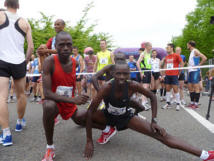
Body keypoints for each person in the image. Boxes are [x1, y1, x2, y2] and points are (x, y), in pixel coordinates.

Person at [84, 63, 214, 161]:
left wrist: (154, 121)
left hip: (125, 117)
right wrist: (89, 140)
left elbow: (152, 97)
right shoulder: (106, 88)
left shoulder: (133, 85)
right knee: (81, 117)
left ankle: (205, 155)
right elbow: (90, 112)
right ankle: (109, 129)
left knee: (161, 135)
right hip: (107, 114)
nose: (122, 77)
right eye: (119, 74)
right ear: (113, 75)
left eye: (125, 74)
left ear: (130, 74)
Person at [41, 31, 90, 160]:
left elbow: (83, 67)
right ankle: (50, 147)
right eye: (61, 45)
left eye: (69, 44)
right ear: (55, 46)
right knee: (48, 106)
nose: (66, 48)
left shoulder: (75, 62)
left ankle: (107, 127)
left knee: (85, 118)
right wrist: (73, 99)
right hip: (56, 101)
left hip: (69, 103)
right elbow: (47, 93)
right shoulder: (49, 62)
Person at [91, 52, 146, 144]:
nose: (119, 62)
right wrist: (100, 92)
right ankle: (107, 130)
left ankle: (132, 115)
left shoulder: (126, 68)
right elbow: (94, 77)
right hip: (110, 95)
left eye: (122, 60)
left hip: (123, 96)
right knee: (105, 113)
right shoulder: (109, 67)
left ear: (125, 60)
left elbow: (131, 82)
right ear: (114, 60)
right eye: (118, 60)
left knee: (141, 107)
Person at [0, 0, 34, 146]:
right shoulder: (25, 22)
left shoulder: (0, 15)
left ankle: (7, 134)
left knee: (2, 97)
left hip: (2, 60)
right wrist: (25, 61)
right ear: (18, 6)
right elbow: (31, 47)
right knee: (21, 94)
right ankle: (19, 122)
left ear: (5, 3)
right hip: (19, 61)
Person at [162, 43, 184, 111]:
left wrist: (179, 72)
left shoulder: (176, 55)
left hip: (174, 75)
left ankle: (178, 104)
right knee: (167, 89)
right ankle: (168, 103)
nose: (167, 49)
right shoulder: (166, 57)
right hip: (167, 75)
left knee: (175, 90)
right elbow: (165, 65)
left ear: (172, 48)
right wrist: (163, 74)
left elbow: (182, 63)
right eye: (166, 48)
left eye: (168, 47)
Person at [187, 41, 207, 108]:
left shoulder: (195, 50)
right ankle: (192, 102)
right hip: (190, 71)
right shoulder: (191, 52)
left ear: (190, 45)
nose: (187, 46)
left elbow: (204, 58)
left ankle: (196, 104)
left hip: (195, 71)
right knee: (190, 87)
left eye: (187, 45)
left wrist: (198, 65)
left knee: (196, 87)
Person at [137, 42, 152, 110]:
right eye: (150, 46)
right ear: (146, 46)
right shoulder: (143, 53)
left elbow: (149, 64)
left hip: (149, 71)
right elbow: (137, 63)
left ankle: (145, 101)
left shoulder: (149, 54)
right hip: (144, 70)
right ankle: (143, 104)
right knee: (145, 87)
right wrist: (141, 73)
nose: (151, 47)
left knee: (147, 87)